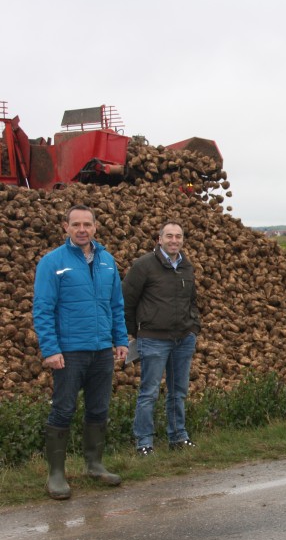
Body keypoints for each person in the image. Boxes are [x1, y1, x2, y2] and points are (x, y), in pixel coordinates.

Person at [33, 204, 129, 499]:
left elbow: (116, 305)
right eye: (76, 224)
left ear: (96, 227)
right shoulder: (52, 262)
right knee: (63, 408)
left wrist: (121, 340)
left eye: (87, 224)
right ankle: (56, 474)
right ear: (66, 227)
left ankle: (94, 464)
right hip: (70, 351)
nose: (82, 229)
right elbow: (43, 309)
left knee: (99, 408)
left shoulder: (107, 261)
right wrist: (50, 348)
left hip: (102, 350)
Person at [122, 221, 201, 456]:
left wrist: (193, 326)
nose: (174, 240)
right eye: (169, 236)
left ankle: (178, 437)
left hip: (183, 338)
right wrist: (137, 332)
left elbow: (192, 300)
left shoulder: (186, 266)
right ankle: (144, 442)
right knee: (149, 393)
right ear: (159, 239)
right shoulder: (144, 265)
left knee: (178, 391)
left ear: (183, 240)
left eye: (178, 236)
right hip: (154, 339)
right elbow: (126, 300)